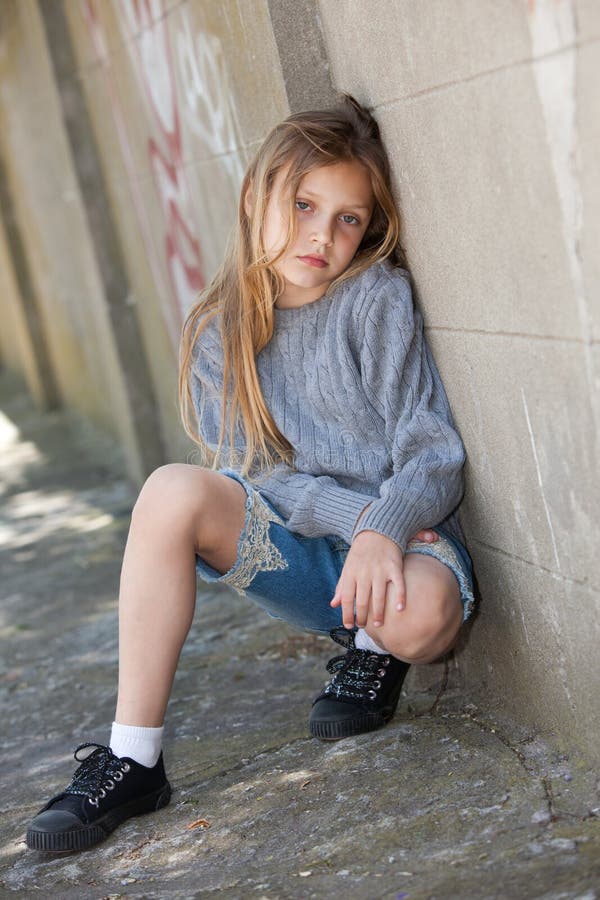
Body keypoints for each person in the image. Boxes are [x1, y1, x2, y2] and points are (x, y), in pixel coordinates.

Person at [26, 94, 474, 853]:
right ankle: (134, 756)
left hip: (408, 540)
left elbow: (431, 452)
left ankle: (375, 647)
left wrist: (385, 529)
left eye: (348, 218)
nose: (322, 235)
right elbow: (252, 474)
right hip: (317, 554)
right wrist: (354, 524)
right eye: (304, 204)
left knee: (428, 616)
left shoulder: (374, 301)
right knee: (171, 490)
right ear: (255, 195)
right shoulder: (220, 330)